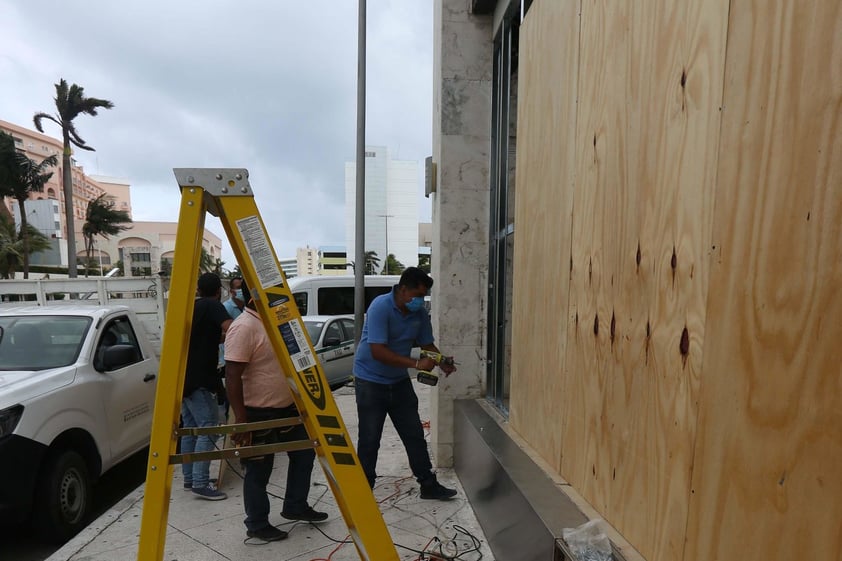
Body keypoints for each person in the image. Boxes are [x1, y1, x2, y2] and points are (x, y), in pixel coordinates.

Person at [225, 282, 327, 542]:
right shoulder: (244, 327)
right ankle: (257, 523)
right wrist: (241, 421)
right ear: (256, 297)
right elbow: (232, 377)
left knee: (304, 456)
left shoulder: (275, 322)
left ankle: (295, 505)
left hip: (287, 410)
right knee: (259, 471)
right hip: (258, 414)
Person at [352, 267, 458, 499]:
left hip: (398, 382)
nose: (419, 301)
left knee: (414, 435)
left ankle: (428, 485)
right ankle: (363, 491)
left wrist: (441, 361)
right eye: (416, 295)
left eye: (423, 296)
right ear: (402, 289)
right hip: (370, 381)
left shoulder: (418, 313)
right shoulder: (380, 307)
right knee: (370, 439)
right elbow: (378, 351)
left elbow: (427, 345)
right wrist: (416, 364)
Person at [181, 272, 233, 500]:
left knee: (191, 429)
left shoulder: (193, 307)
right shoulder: (213, 306)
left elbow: (205, 338)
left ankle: (190, 477)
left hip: (184, 378)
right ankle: (201, 482)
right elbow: (233, 329)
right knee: (209, 427)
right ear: (218, 291)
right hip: (201, 379)